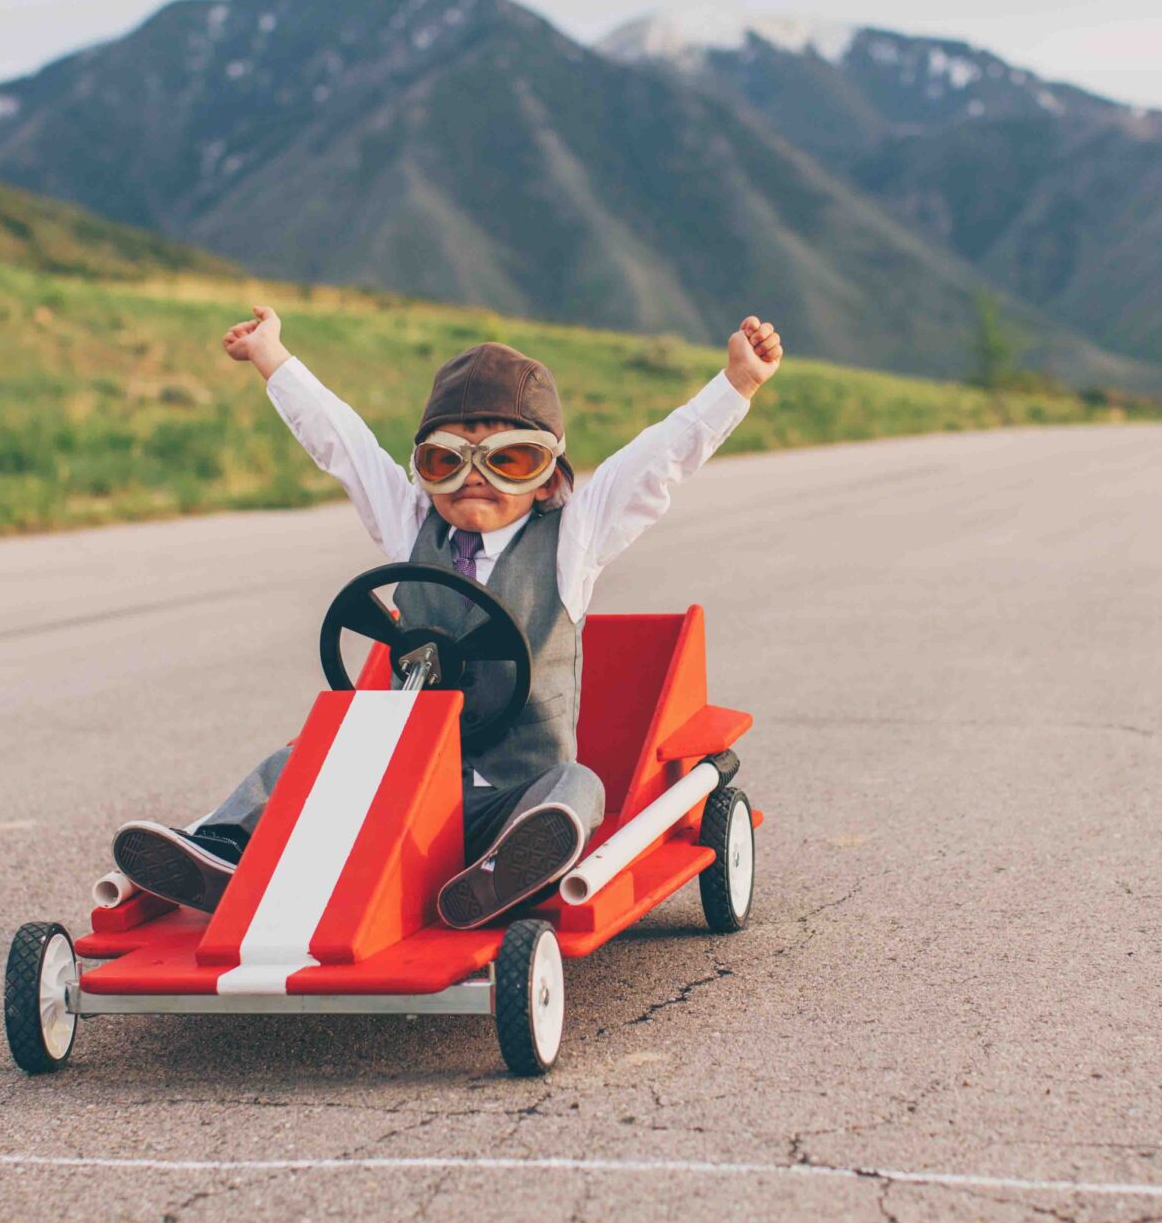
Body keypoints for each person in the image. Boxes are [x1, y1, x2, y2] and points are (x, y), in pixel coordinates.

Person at [113, 305, 783, 928]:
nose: (473, 478)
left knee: (578, 785)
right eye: (446, 460)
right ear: (423, 469)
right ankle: (219, 852)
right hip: (407, 793)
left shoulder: (572, 538)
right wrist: (272, 356)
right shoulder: (411, 528)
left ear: (548, 474)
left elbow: (656, 462)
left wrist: (736, 384)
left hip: (511, 799)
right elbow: (342, 444)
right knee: (300, 758)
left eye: (507, 460)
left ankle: (504, 873)